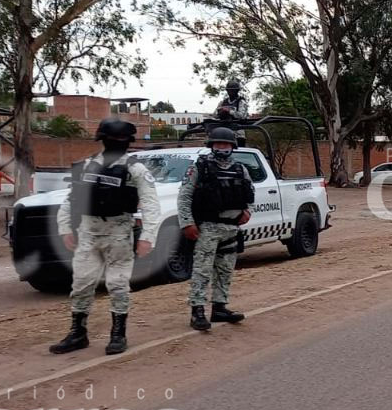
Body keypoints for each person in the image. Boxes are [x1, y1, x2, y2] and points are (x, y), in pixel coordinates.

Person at [51, 118, 161, 355]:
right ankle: (78, 333)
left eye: (120, 141)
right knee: (81, 284)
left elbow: (152, 205)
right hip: (88, 232)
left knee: (117, 284)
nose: (116, 144)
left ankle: (118, 334)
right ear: (103, 140)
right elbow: (72, 199)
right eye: (112, 140)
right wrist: (65, 228)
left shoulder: (135, 169)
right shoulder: (88, 165)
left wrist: (148, 236)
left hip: (119, 232)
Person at [177, 127, 253, 330]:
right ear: (211, 145)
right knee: (202, 270)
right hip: (207, 228)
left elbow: (250, 193)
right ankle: (198, 310)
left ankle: (219, 307)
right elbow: (184, 196)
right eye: (218, 144)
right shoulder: (200, 167)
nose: (222, 147)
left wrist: (248, 212)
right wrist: (187, 222)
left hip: (231, 228)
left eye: (226, 144)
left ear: (232, 146)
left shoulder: (240, 169)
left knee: (225, 270)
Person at [212, 80, 250, 146]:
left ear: (237, 91)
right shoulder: (223, 102)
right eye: (229, 90)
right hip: (223, 132)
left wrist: (229, 111)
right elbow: (214, 115)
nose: (231, 92)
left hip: (237, 132)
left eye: (233, 90)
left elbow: (242, 116)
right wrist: (221, 112)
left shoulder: (241, 102)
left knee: (239, 151)